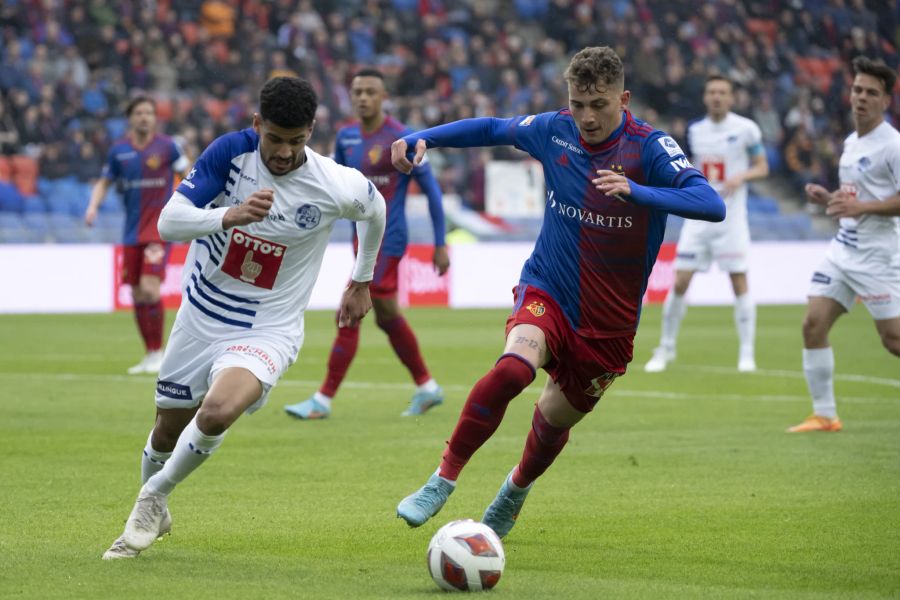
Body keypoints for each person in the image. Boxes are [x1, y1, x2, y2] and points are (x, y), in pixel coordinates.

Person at [391, 46, 725, 538]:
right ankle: (443, 478)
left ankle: (515, 488)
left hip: (608, 325)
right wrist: (422, 137)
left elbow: (710, 203)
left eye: (599, 105)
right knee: (512, 369)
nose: (587, 117)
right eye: (577, 104)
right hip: (548, 288)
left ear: (623, 99)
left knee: (551, 421)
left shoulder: (649, 148)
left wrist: (639, 192)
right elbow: (491, 128)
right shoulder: (554, 129)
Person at [101, 77, 386, 559]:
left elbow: (375, 211)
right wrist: (228, 216)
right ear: (257, 125)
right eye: (274, 138)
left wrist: (361, 280)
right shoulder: (230, 155)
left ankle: (153, 498)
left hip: (267, 328)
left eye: (296, 141)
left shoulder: (334, 183)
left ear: (312, 131)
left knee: (217, 412)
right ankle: (156, 496)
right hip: (201, 315)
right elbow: (169, 222)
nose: (283, 151)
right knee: (166, 430)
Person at [284, 68, 448, 420]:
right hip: (361, 241)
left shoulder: (405, 137)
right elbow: (332, 187)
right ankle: (427, 386)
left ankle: (322, 400)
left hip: (390, 239)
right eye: (357, 91)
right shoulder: (345, 138)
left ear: (383, 96)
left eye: (370, 92)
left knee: (349, 312)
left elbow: (432, 192)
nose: (362, 98)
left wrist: (440, 243)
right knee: (387, 316)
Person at [788, 56, 900, 433]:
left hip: (879, 257)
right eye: (857, 90)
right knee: (813, 325)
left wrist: (860, 206)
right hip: (843, 250)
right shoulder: (852, 141)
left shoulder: (893, 145)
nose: (861, 98)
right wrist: (830, 198)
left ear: (886, 100)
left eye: (871, 92)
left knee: (893, 341)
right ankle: (825, 415)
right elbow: (858, 197)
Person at [644, 75, 769, 374]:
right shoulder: (693, 131)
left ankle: (747, 353)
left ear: (731, 97)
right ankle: (666, 348)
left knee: (739, 282)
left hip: (732, 220)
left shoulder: (746, 129)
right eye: (712, 92)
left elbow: (762, 166)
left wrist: (743, 177)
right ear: (705, 97)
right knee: (680, 282)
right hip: (698, 219)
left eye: (722, 92)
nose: (716, 97)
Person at [85, 96, 191, 374]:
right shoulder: (119, 151)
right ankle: (150, 353)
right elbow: (104, 182)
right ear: (130, 117)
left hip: (159, 229)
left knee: (150, 287)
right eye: (139, 113)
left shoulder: (168, 147)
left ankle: (160, 353)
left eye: (149, 113)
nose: (145, 117)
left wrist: (193, 207)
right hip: (131, 232)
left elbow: (190, 175)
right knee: (135, 293)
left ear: (155, 118)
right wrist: (93, 207)